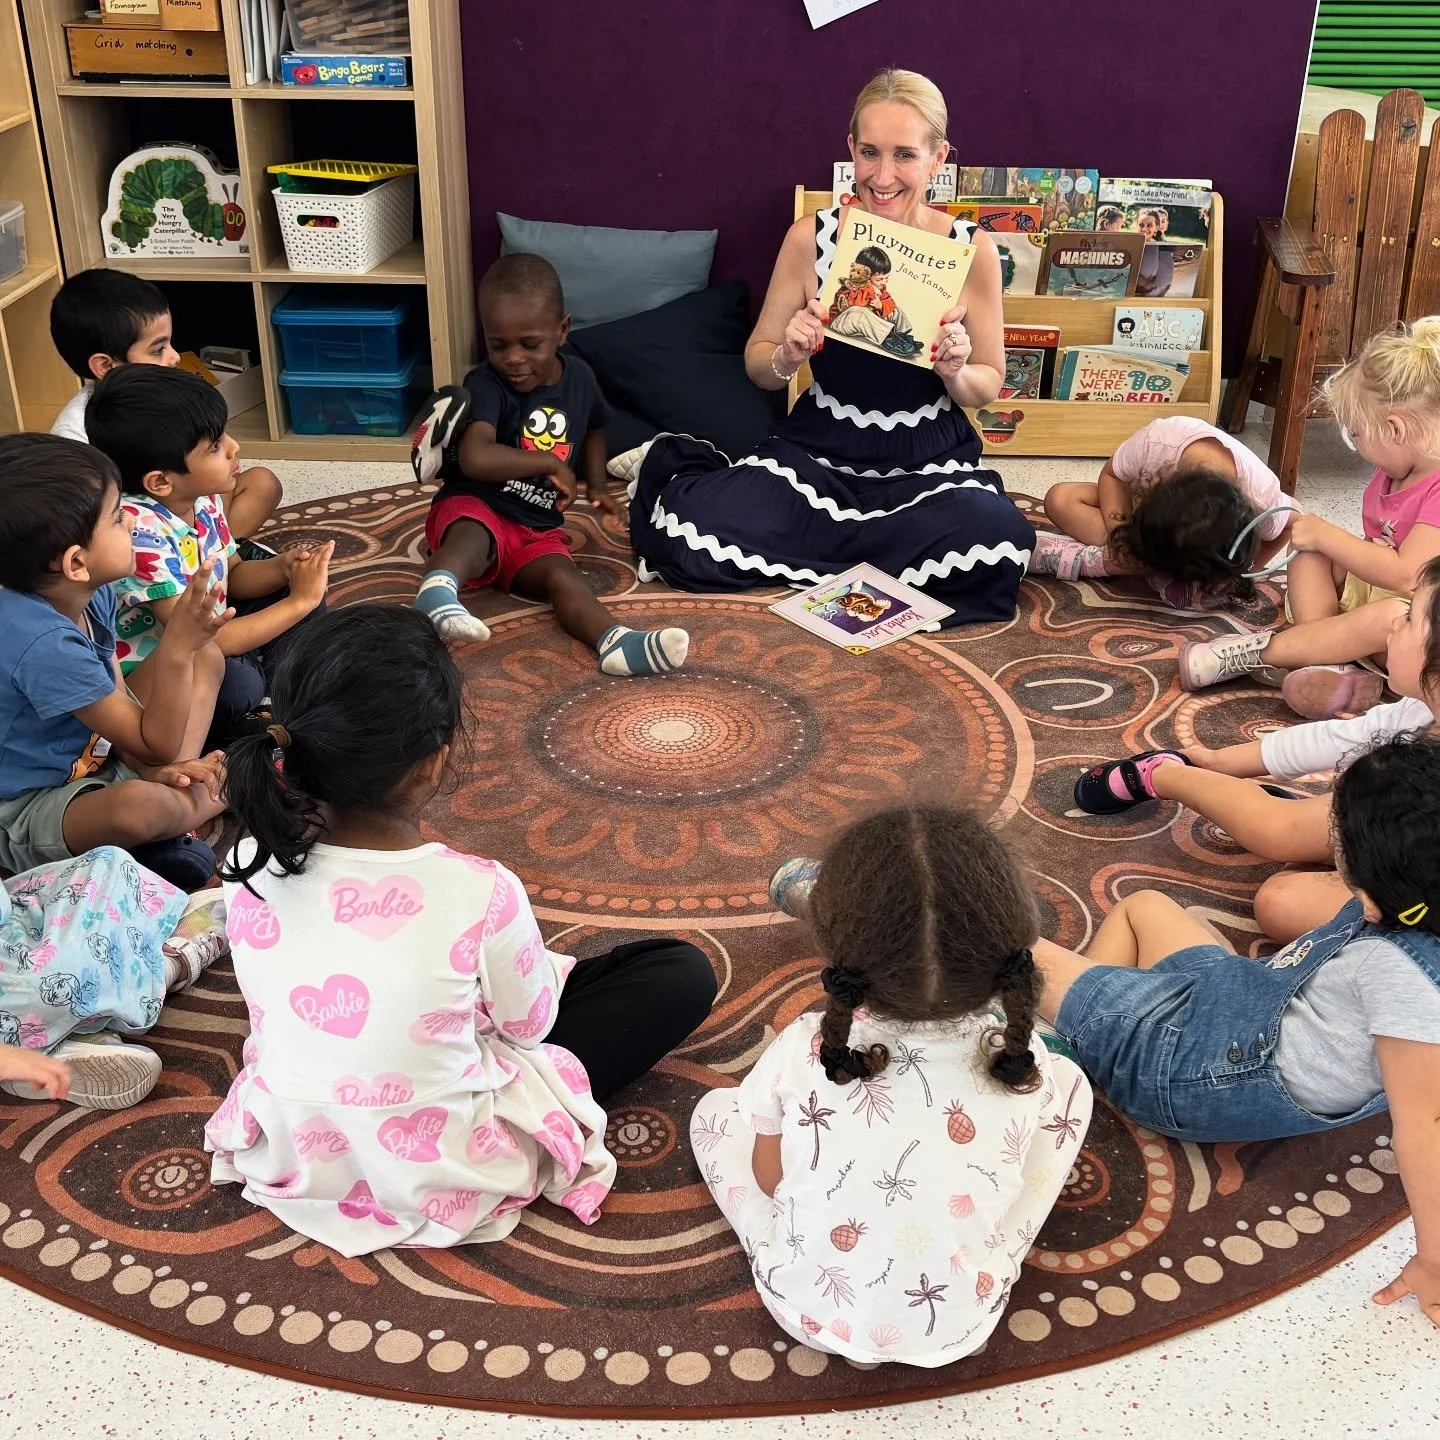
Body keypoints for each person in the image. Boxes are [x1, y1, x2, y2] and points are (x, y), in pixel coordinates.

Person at [206, 605, 716, 1255]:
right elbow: (527, 1029)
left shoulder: (246, 865)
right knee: (676, 971)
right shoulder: (480, 892)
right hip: (444, 1163)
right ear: (433, 763)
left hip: (297, 1144)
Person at [1036, 733, 1440, 1329]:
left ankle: (1086, 1048)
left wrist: (1433, 1261)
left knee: (998, 944)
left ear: (1369, 885)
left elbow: (1425, 1129)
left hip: (1191, 1074)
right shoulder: (1414, 900)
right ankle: (1084, 1038)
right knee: (1143, 907)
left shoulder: (1402, 976)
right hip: (1239, 1008)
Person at [618, 69, 1034, 625]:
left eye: (905, 155)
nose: (883, 176)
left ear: (939, 159)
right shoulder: (809, 237)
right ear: (850, 152)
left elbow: (987, 385)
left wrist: (956, 370)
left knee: (997, 537)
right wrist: (787, 355)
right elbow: (758, 365)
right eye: (870, 153)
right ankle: (867, 561)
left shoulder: (970, 249)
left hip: (926, 459)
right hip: (820, 450)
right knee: (687, 528)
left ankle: (833, 558)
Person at [692, 806, 1091, 1367]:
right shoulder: (1022, 1056)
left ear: (835, 954)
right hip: (960, 1324)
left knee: (713, 1112)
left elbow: (768, 1179)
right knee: (1068, 1085)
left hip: (802, 1307)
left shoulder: (808, 1046)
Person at [1071, 553, 1440, 942]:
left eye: (1411, 618)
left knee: (1279, 898)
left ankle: (1186, 783)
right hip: (1412, 852)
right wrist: (1219, 762)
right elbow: (1337, 738)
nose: (1394, 623)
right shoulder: (1419, 711)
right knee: (1285, 841)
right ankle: (1181, 777)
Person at [407, 254, 689, 677]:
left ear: (562, 330)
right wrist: (545, 461)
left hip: (536, 528)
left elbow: (594, 429)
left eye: (530, 344)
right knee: (473, 534)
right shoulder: (485, 384)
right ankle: (436, 592)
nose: (513, 358)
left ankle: (615, 643)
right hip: (478, 504)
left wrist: (596, 488)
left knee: (566, 577)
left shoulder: (581, 380)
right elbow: (475, 456)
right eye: (498, 344)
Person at [1178, 319, 1440, 719]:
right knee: (1306, 548)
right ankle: (1328, 660)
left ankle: (1273, 650)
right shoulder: (1397, 468)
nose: (1358, 449)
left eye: (1357, 435)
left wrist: (1330, 536)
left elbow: (1409, 576)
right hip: (1385, 599)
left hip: (1420, 625)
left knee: (1387, 614)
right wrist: (1321, 540)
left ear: (1395, 430)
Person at [0, 434, 228, 887]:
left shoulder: (93, 591)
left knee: (207, 657)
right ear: (76, 562)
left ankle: (172, 809)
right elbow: (155, 739)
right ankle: (232, 787)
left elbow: (123, 711)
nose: (136, 525)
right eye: (120, 518)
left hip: (96, 757)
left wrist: (153, 766)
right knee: (136, 808)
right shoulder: (43, 643)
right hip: (26, 807)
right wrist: (176, 649)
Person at [87, 364, 333, 745]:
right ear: (161, 481)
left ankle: (272, 698)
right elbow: (200, 643)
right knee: (239, 679)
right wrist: (298, 604)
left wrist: (281, 569)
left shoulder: (203, 498)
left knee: (298, 595)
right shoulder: (138, 532)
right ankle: (259, 706)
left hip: (219, 635)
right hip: (171, 673)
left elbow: (232, 573)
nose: (234, 447)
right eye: (216, 446)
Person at [48, 268, 282, 557]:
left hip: (185, 505)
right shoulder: (75, 437)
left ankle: (218, 555)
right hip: (142, 536)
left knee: (263, 483)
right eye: (158, 349)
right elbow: (93, 526)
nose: (173, 357)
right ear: (106, 366)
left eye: (169, 343)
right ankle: (208, 562)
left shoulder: (168, 395)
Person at [0, 848, 228, 1109]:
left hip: (15, 919)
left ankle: (73, 1033)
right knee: (59, 981)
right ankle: (165, 967)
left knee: (109, 861)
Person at [1030, 416, 1297, 609]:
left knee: (1209, 575)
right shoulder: (1157, 442)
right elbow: (1113, 475)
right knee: (1061, 498)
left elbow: (1291, 521)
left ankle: (1102, 563)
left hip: (1190, 535)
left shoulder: (1262, 497)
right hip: (1139, 511)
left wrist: (1243, 569)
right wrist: (1118, 532)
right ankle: (1135, 562)